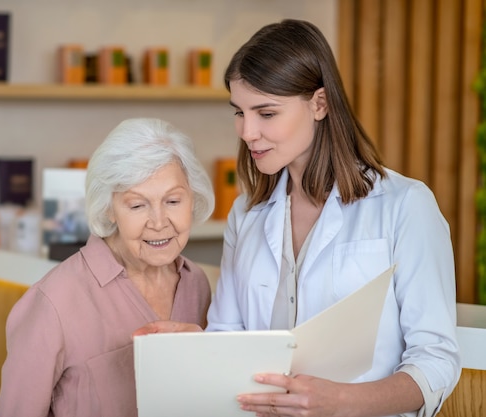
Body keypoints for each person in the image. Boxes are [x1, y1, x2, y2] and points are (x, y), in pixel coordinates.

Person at [136, 19, 461, 417]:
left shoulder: (405, 205)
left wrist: (341, 402)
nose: (248, 132)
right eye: (239, 112)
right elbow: (231, 336)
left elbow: (436, 361)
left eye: (266, 113)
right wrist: (199, 346)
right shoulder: (247, 214)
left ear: (319, 104)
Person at [0, 117, 215, 417]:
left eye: (173, 201)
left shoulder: (197, 284)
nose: (160, 222)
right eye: (137, 205)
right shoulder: (53, 302)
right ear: (108, 209)